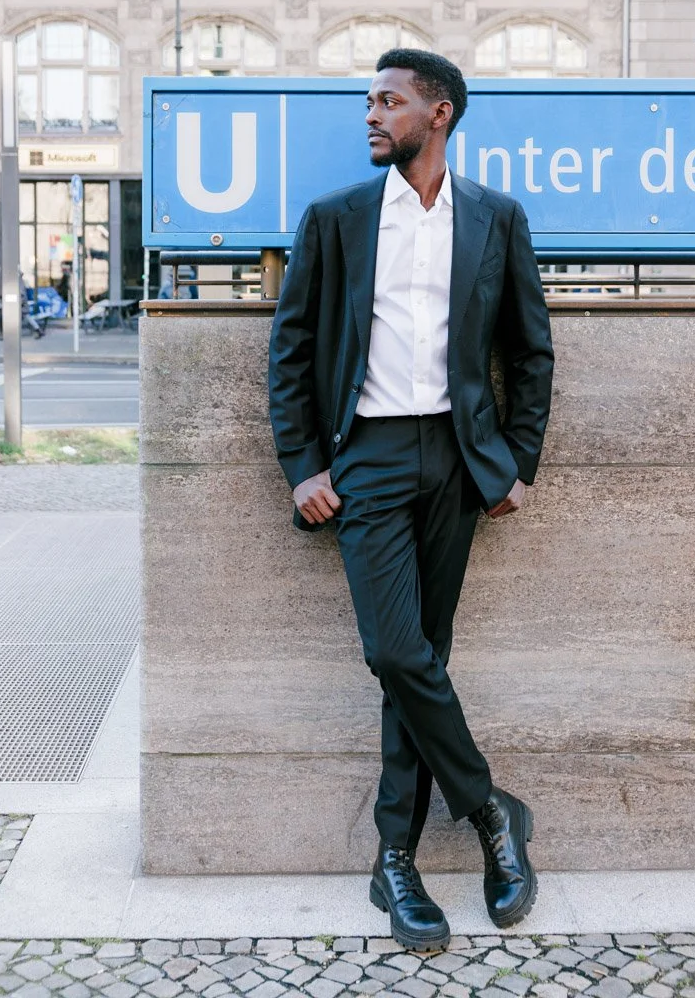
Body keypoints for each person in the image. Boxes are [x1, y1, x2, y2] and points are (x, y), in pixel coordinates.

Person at [268, 49, 554, 948]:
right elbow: (291, 352)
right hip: (371, 459)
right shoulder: (339, 220)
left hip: (459, 462)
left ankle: (394, 862)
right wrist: (304, 464)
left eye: (388, 101)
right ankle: (490, 812)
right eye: (369, 101)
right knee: (396, 649)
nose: (371, 114)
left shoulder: (496, 219)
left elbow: (531, 350)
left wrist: (513, 463)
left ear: (439, 115)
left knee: (418, 660)